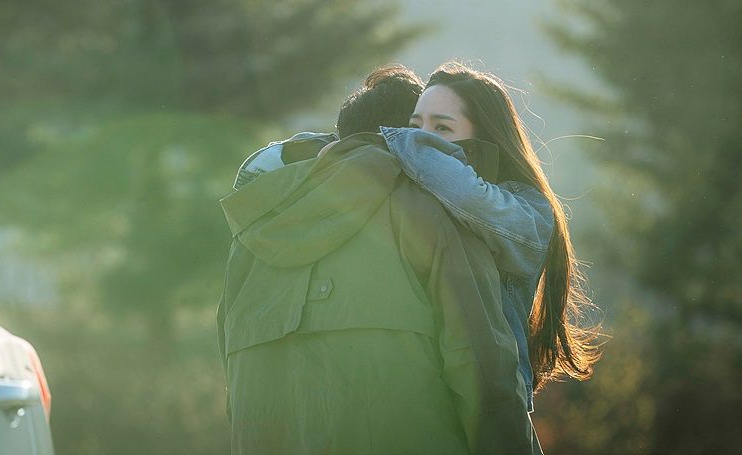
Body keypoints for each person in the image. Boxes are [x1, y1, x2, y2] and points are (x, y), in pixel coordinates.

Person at [216, 66, 535, 454]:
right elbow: (487, 380)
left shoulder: (251, 240)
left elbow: (235, 391)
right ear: (410, 145)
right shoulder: (431, 218)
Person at [380, 61, 603, 418]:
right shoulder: (413, 198)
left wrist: (387, 139)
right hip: (415, 406)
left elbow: (468, 195)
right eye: (415, 124)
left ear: (485, 139)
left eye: (442, 127)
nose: (421, 138)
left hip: (491, 411)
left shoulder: (527, 210)